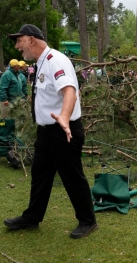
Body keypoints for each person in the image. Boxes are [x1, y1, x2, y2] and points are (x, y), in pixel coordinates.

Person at [5, 24, 97, 239]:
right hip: (46, 133)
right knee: (40, 176)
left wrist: (64, 117)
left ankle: (88, 221)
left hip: (63, 131)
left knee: (72, 177)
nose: (17, 46)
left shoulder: (55, 60)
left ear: (32, 40)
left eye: (19, 40)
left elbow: (69, 91)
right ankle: (32, 217)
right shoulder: (41, 62)